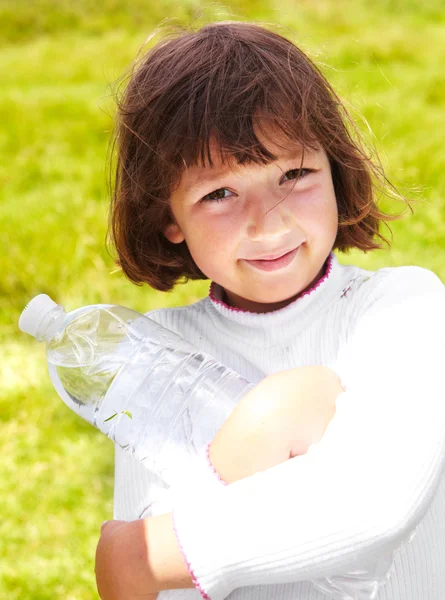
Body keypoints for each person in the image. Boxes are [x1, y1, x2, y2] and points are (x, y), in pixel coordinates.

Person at [95, 21, 445, 600]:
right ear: (168, 219)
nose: (270, 222)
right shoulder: (153, 351)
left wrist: (152, 552)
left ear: (336, 170)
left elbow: (375, 502)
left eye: (294, 174)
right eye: (220, 194)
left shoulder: (405, 307)